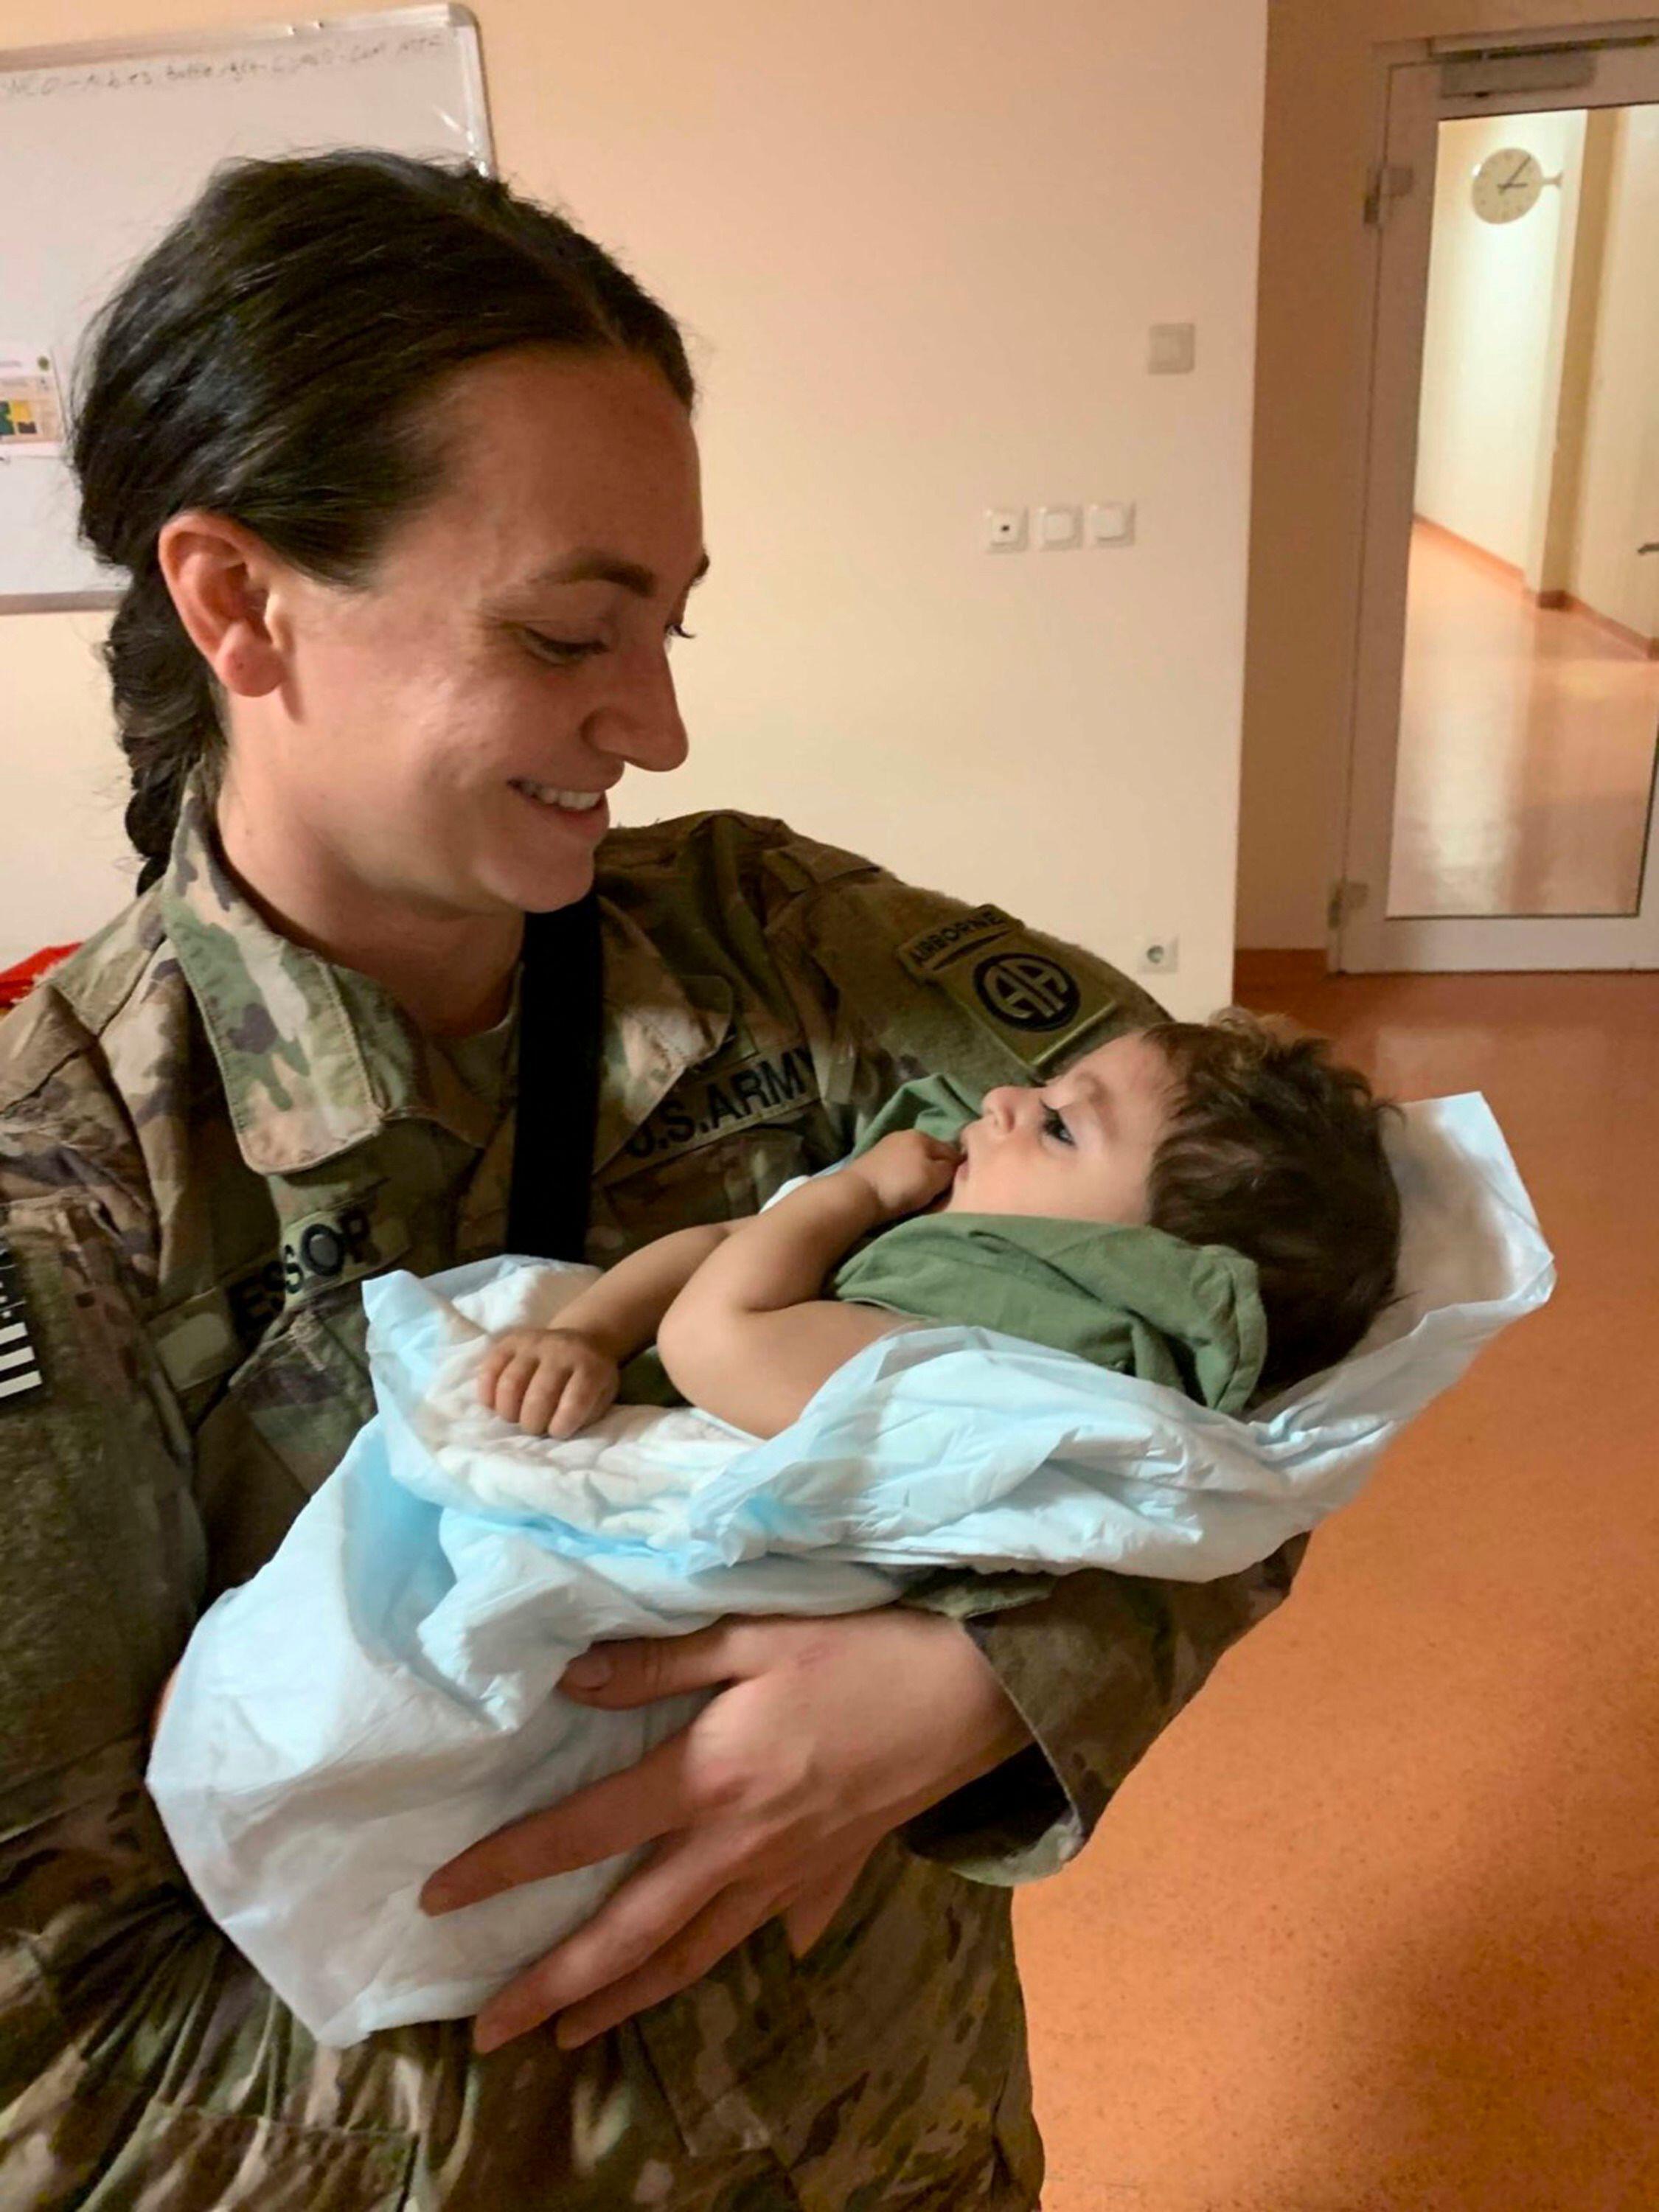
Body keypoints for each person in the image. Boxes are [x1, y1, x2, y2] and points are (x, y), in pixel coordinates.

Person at [0, 152, 1308, 2211]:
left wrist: (990, 1678)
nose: (664, 725)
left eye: (672, 626)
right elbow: (48, 2061)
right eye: (563, 632)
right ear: (238, 603)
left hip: (924, 2144)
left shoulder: (787, 950)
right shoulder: (63, 1206)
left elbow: (1314, 1267)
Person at [484, 1015, 1400, 1442]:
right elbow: (719, 1249)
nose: (1001, 1099)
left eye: (1058, 1126)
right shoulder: (968, 1221)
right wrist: (586, 1336)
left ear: (1137, 1262)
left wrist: (852, 1194)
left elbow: (712, 1336)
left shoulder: (1011, 1327)